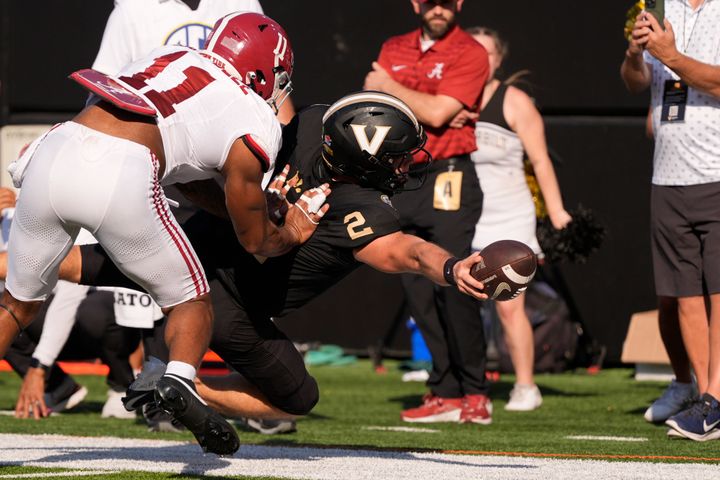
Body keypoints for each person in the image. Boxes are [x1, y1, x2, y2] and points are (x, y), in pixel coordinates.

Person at [17, 92, 490, 426]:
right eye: (397, 159)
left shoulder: (309, 124)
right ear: (363, 158)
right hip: (231, 302)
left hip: (197, 244)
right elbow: (406, 251)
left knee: (77, 263)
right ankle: (186, 389)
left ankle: (173, 379)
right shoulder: (361, 205)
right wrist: (453, 267)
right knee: (298, 398)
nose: (404, 167)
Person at [0, 12, 325, 455]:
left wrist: (245, 210)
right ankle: (178, 381)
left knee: (18, 306)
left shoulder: (171, 54)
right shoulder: (254, 116)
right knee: (192, 300)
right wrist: (291, 229)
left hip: (56, 147)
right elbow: (256, 241)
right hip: (121, 169)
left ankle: (176, 382)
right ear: (263, 69)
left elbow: (192, 179)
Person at [363, 0, 492, 424]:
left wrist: (396, 90)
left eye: (446, 1)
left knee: (455, 280)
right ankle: (444, 389)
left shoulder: (470, 51)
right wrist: (428, 106)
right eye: (430, 1)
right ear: (416, 3)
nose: (438, 8)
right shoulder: (394, 46)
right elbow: (371, 105)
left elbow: (436, 112)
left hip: (450, 176)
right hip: (402, 177)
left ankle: (475, 392)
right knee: (415, 283)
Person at [452, 27, 571, 411]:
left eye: (487, 53)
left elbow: (540, 161)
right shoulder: (449, 99)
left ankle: (525, 386)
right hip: (465, 215)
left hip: (509, 216)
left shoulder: (514, 101)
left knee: (508, 305)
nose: (480, 59)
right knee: (459, 300)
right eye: (472, 51)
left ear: (499, 59)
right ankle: (462, 384)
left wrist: (556, 213)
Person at [621, 1, 720, 440]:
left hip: (717, 170)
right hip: (668, 174)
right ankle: (705, 397)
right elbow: (636, 83)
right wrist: (633, 56)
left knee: (719, 292)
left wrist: (670, 56)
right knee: (683, 295)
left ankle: (716, 400)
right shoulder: (657, 6)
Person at [92, 0, 295, 127]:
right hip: (161, 145)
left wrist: (287, 153)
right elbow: (102, 89)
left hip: (232, 139)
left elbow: (272, 82)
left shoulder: (241, 3)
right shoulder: (132, 10)